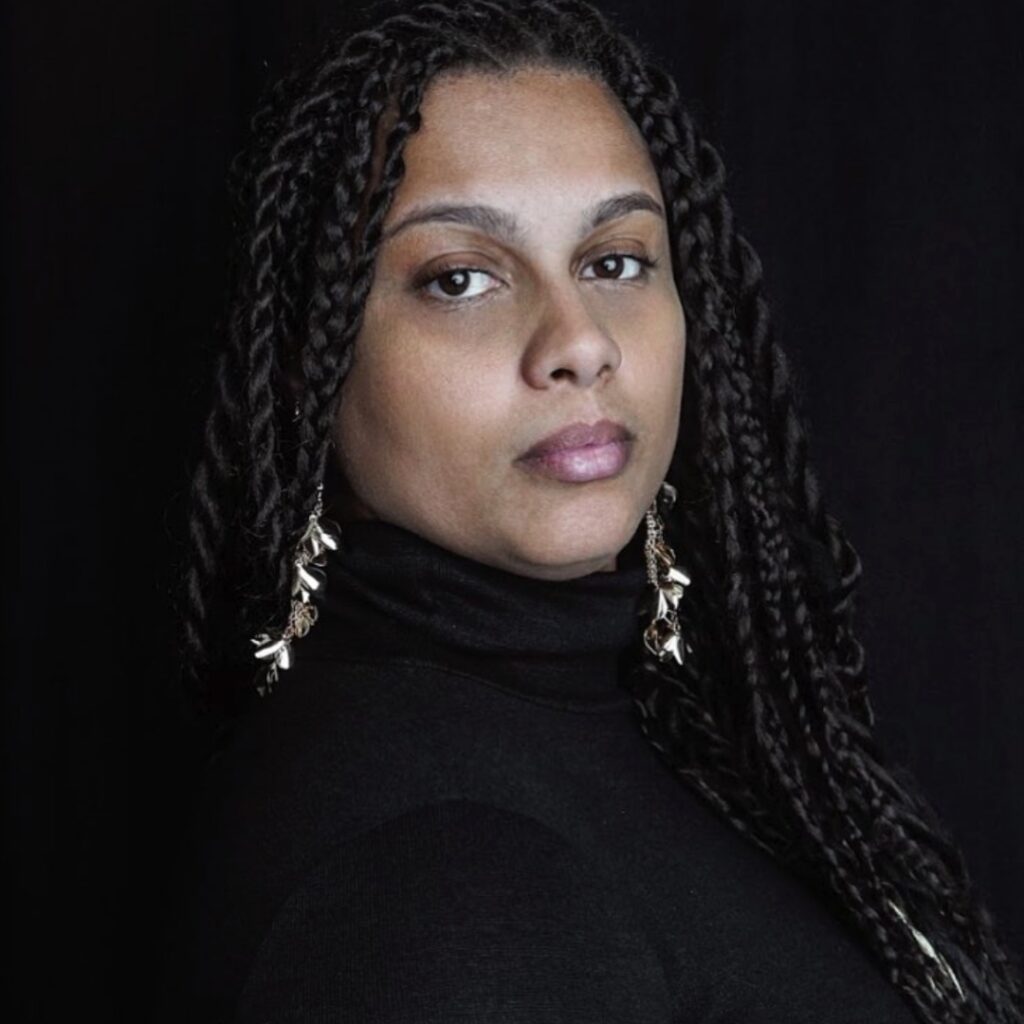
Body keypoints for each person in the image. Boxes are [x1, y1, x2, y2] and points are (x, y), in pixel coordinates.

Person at [154, 0, 1024, 1021]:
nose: (579, 340)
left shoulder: (676, 739)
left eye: (614, 261)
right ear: (309, 363)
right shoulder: (443, 877)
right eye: (461, 277)